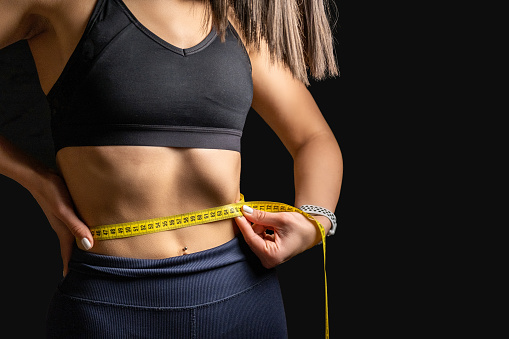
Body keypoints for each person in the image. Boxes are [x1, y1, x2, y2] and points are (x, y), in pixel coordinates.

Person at [0, 0, 342, 337]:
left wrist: (315, 220)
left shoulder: (232, 19)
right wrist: (37, 181)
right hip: (108, 304)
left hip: (244, 296)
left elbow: (313, 138)